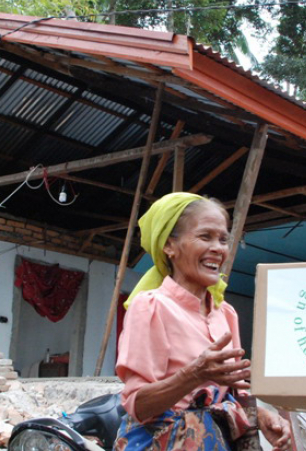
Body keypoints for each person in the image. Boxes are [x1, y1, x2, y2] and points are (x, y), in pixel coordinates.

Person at [114, 192, 292, 451]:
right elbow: (138, 405)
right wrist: (193, 374)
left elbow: (232, 391)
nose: (218, 249)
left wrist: (264, 417)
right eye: (205, 236)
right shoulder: (151, 307)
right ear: (169, 246)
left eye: (223, 239)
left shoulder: (226, 313)